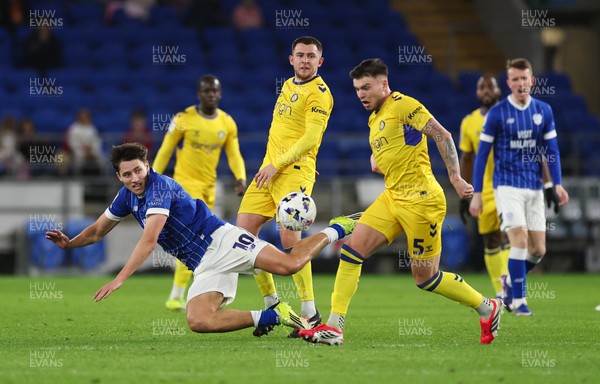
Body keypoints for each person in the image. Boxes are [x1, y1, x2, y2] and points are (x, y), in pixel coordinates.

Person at [45, 142, 358, 334]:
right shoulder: (126, 196)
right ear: (119, 176)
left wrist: (119, 279)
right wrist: (71, 243)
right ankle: (271, 315)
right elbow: (98, 229)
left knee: (289, 264)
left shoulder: (159, 187)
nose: (134, 179)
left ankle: (337, 228)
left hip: (222, 241)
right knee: (199, 321)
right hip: (203, 264)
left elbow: (150, 240)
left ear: (147, 167)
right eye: (127, 175)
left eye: (138, 171)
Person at [299, 58, 503, 346]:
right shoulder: (374, 118)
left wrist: (456, 178)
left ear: (384, 84)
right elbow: (394, 151)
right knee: (351, 251)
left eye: (366, 87)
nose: (361, 94)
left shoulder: (404, 104)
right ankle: (334, 326)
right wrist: (379, 161)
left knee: (426, 279)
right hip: (392, 196)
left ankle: (486, 306)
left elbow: (441, 134)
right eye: (357, 89)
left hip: (422, 202)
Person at [236, 36, 333, 338]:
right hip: (268, 172)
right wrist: (271, 165)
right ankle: (273, 304)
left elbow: (310, 139)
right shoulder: (290, 85)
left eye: (311, 56)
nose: (305, 60)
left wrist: (277, 165)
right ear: (291, 60)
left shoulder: (319, 94)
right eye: (300, 55)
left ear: (320, 61)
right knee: (243, 237)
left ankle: (309, 312)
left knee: (291, 242)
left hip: (291, 172)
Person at [469, 58, 569, 316]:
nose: (521, 83)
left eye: (525, 78)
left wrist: (556, 184)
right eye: (515, 79)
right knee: (520, 240)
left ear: (531, 80)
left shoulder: (544, 111)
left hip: (534, 186)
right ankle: (519, 302)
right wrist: (477, 194)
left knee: (538, 250)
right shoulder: (498, 113)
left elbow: (551, 150)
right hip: (506, 186)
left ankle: (511, 289)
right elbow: (481, 155)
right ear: (509, 83)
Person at [153, 75, 247, 311]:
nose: (211, 95)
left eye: (214, 91)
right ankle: (179, 295)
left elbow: (234, 153)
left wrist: (240, 178)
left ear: (220, 93)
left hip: (209, 188)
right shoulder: (183, 119)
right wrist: (152, 177)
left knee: (204, 241)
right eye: (206, 91)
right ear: (199, 93)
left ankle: (182, 295)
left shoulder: (226, 123)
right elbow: (166, 149)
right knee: (194, 240)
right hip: (184, 187)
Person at [458, 75, 509, 298]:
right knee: (491, 238)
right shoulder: (469, 122)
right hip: (484, 190)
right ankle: (500, 290)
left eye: (490, 86)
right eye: (481, 87)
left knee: (509, 233)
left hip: (512, 185)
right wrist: (464, 194)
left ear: (499, 89)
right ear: (477, 93)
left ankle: (510, 287)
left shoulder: (512, 114)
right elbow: (467, 158)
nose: (486, 90)